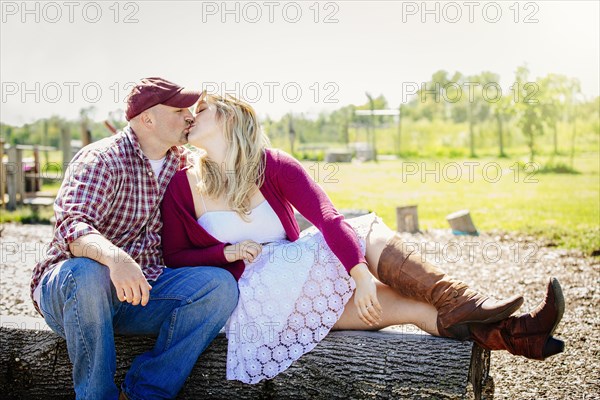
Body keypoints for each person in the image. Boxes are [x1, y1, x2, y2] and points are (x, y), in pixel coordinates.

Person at [160, 93, 565, 384]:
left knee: (410, 305)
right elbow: (175, 255)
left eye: (203, 109)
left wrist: (359, 272)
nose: (192, 116)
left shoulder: (275, 165)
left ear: (230, 118)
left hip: (297, 278)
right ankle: (468, 302)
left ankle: (518, 335)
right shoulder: (182, 182)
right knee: (366, 229)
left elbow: (328, 217)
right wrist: (224, 251)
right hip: (249, 301)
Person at [30, 78, 239, 399]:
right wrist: (116, 258)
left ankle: (145, 392)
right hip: (75, 294)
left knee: (219, 286)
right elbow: (72, 226)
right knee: (88, 272)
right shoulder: (101, 159)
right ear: (147, 119)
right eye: (180, 110)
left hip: (141, 294)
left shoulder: (181, 163)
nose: (190, 116)